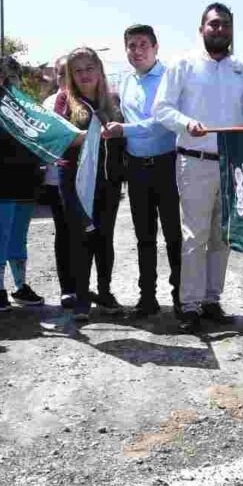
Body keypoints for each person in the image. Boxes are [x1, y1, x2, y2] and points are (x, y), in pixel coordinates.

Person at [154, 2, 243, 334]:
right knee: (194, 237)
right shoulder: (184, 64)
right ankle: (190, 305)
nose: (219, 29)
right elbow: (162, 109)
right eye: (213, 24)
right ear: (201, 29)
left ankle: (212, 300)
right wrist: (186, 123)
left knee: (222, 237)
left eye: (225, 24)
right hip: (194, 163)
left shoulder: (240, 70)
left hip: (231, 165)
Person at [108, 24, 181, 318]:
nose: (137, 51)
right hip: (137, 169)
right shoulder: (125, 82)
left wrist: (123, 130)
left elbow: (163, 122)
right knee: (144, 237)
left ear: (155, 47)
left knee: (175, 235)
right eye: (131, 45)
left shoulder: (169, 78)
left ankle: (180, 296)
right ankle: (147, 297)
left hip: (168, 165)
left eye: (142, 45)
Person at [0, 57, 46, 311]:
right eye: (4, 77)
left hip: (24, 185)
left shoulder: (27, 109)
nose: (10, 81)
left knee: (18, 237)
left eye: (14, 76)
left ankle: (20, 286)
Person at [59, 47, 127, 322]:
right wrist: (94, 134)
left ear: (99, 70)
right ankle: (82, 296)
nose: (85, 75)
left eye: (90, 68)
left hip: (108, 182)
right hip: (77, 183)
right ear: (71, 76)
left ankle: (105, 291)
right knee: (82, 238)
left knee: (104, 239)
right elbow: (61, 141)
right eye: (78, 70)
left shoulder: (112, 101)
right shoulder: (66, 102)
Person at [39, 55, 76, 308]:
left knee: (84, 235)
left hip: (81, 179)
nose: (64, 78)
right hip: (55, 180)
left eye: (68, 73)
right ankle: (67, 288)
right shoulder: (48, 103)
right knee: (63, 233)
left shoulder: (85, 100)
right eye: (60, 73)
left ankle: (86, 286)